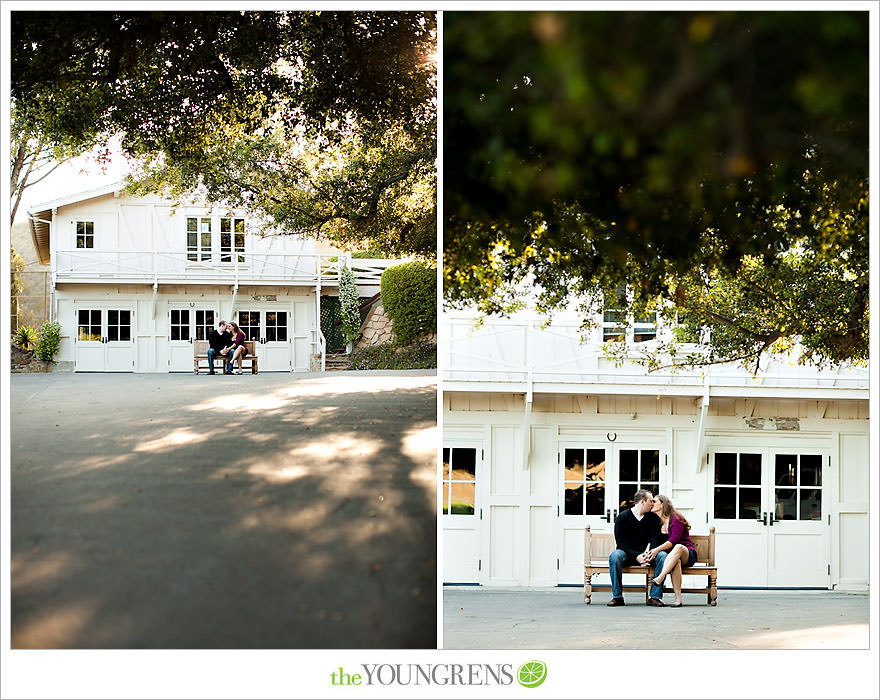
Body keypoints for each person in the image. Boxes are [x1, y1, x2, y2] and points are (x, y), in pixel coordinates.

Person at [607, 489, 668, 607]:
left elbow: (655, 540)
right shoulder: (622, 517)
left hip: (645, 555)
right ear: (642, 502)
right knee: (615, 556)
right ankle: (617, 597)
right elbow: (621, 543)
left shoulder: (653, 518)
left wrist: (648, 555)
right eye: (651, 501)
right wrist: (637, 557)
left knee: (663, 556)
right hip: (627, 554)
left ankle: (654, 597)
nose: (653, 503)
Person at [645, 494, 698, 608]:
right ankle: (678, 600)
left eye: (654, 501)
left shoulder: (675, 517)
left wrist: (656, 550)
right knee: (676, 562)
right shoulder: (657, 521)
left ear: (662, 504)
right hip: (673, 557)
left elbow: (674, 540)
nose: (652, 504)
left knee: (678, 547)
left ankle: (660, 577)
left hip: (687, 553)